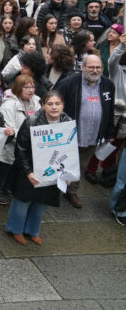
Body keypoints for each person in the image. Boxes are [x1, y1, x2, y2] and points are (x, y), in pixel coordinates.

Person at [8, 91, 71, 245]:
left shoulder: (67, 122)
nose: (54, 107)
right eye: (50, 104)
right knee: (22, 202)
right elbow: (21, 150)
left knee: (43, 203)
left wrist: (69, 174)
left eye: (57, 104)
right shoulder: (32, 121)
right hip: (30, 169)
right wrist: (28, 172)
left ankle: (32, 230)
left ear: (63, 105)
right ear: (43, 105)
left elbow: (70, 151)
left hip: (54, 171)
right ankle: (16, 229)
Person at [56, 55, 116, 208]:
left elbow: (109, 111)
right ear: (83, 67)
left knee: (80, 166)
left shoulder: (108, 85)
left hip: (93, 136)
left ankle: (72, 191)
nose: (95, 70)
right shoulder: (68, 83)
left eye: (98, 67)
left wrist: (109, 133)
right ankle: (52, 191)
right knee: (60, 163)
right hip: (68, 135)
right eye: (91, 67)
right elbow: (54, 105)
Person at [0, 75, 41, 205]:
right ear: (19, 88)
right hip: (10, 146)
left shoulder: (35, 102)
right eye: (27, 87)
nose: (31, 90)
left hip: (25, 147)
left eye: (32, 86)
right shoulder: (8, 105)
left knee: (15, 170)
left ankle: (7, 188)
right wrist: (26, 138)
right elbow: (9, 127)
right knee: (4, 169)